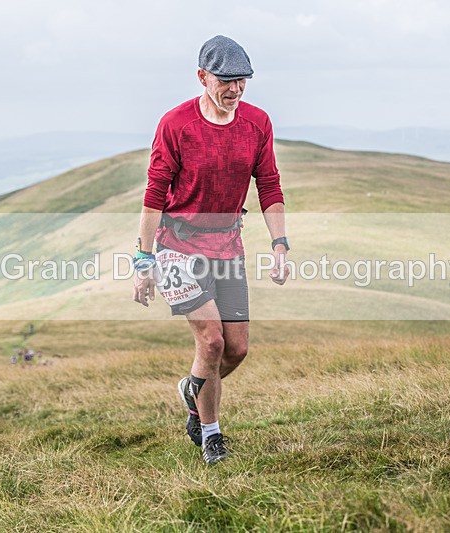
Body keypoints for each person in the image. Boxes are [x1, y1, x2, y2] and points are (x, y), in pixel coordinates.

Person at [133, 35, 291, 465]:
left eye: (242, 81)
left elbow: (269, 185)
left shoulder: (257, 123)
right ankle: (211, 434)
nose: (235, 90)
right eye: (225, 81)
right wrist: (143, 260)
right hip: (177, 248)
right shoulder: (176, 124)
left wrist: (279, 244)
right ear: (202, 77)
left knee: (237, 348)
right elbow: (154, 195)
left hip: (228, 246)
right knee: (213, 340)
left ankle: (193, 389)